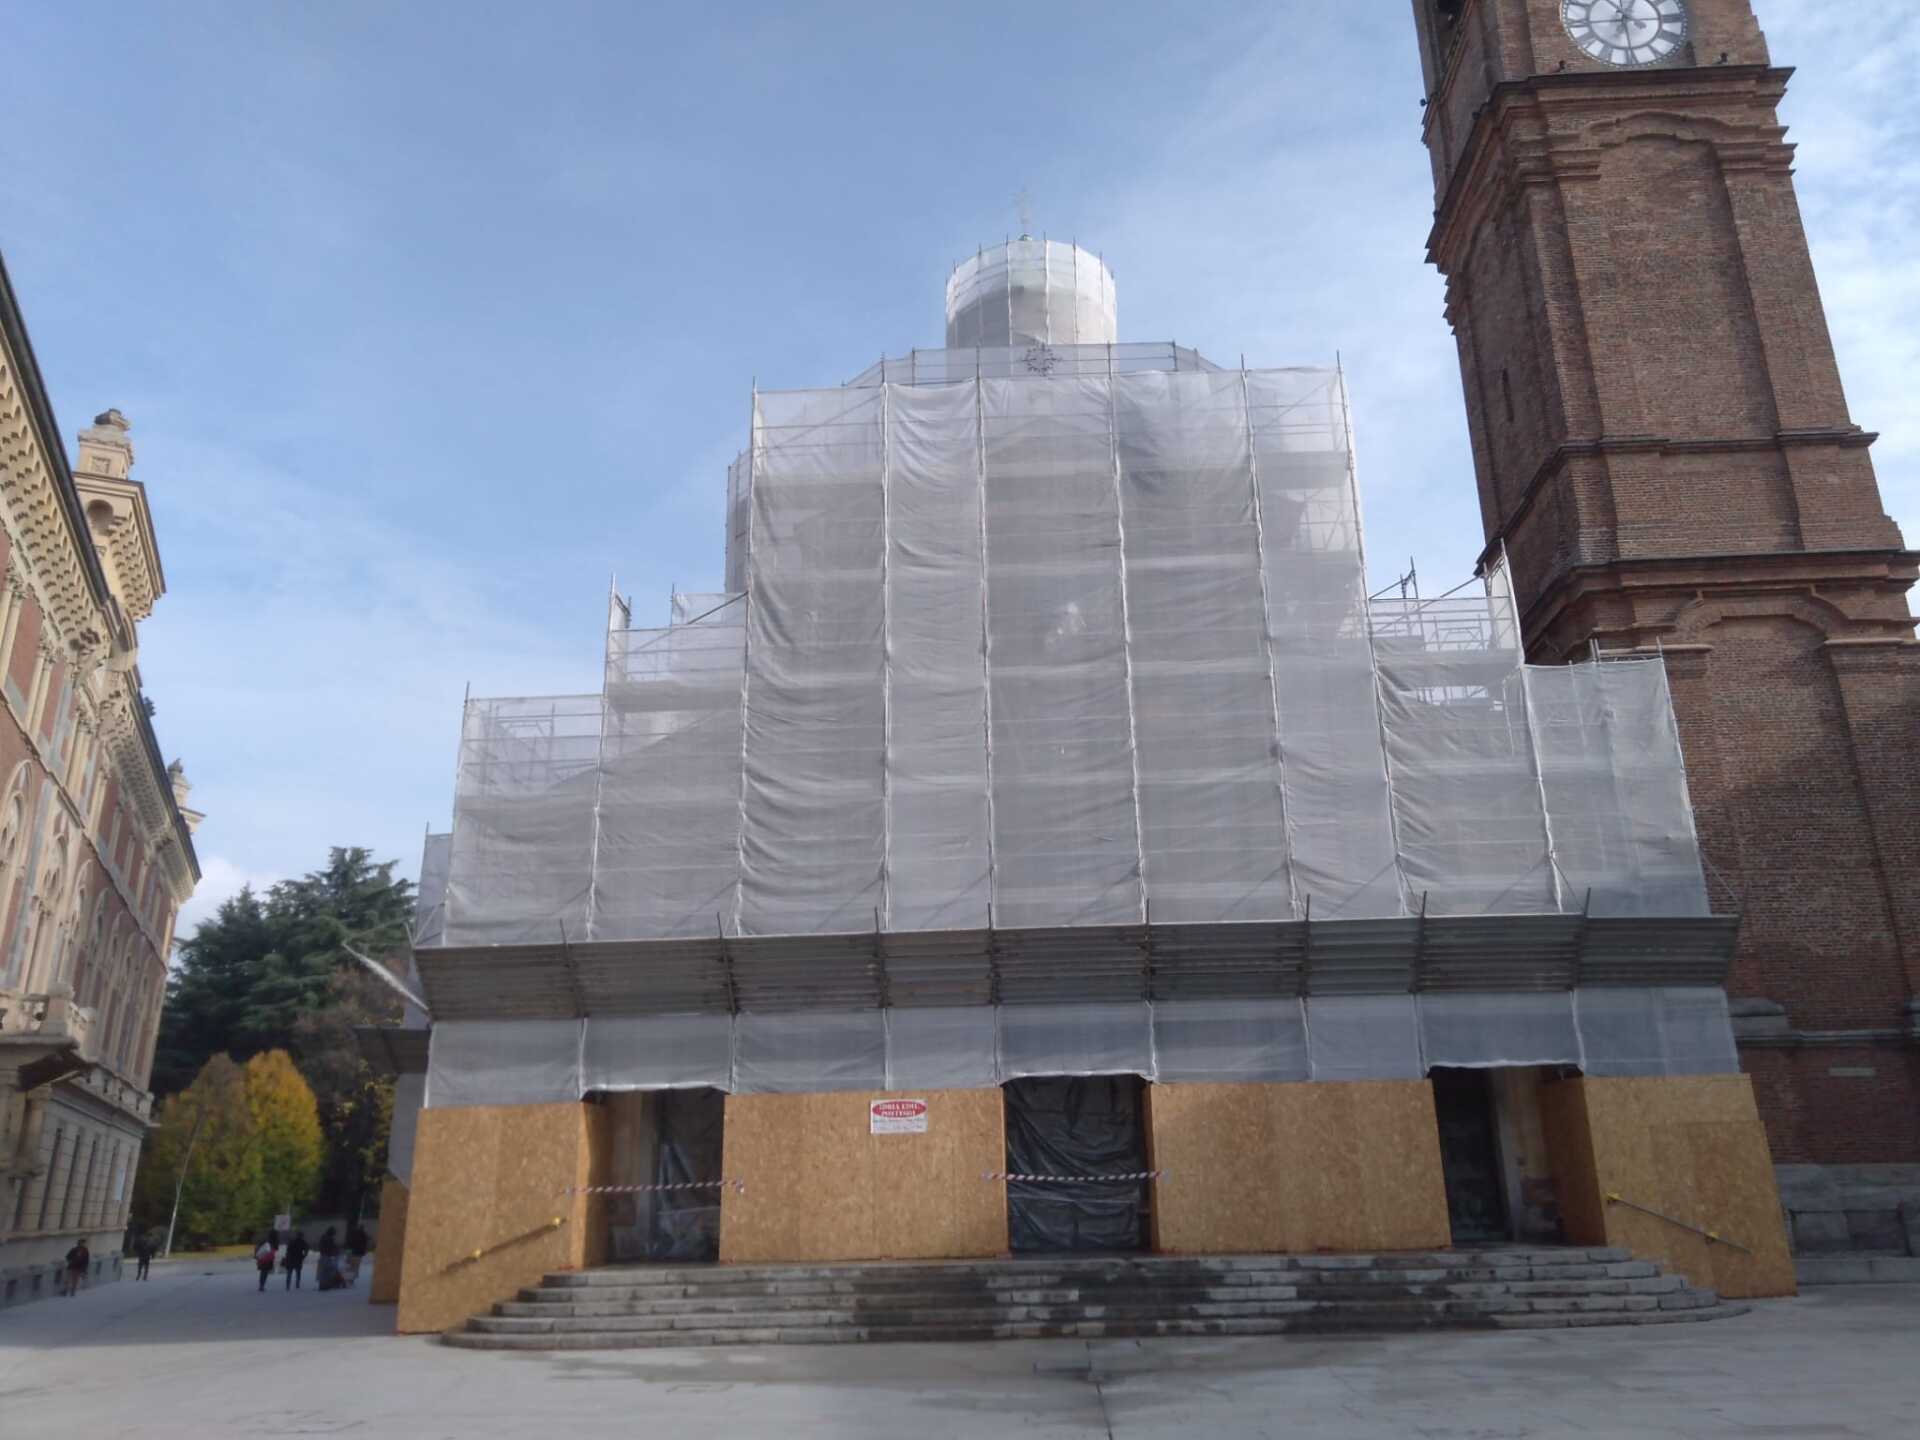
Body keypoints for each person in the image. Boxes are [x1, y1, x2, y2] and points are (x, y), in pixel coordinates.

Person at [315, 1226, 340, 1291]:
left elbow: (322, 1246)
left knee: (324, 1271)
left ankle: (323, 1285)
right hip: (326, 1256)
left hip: (324, 1256)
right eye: (334, 1233)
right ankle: (325, 1285)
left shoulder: (324, 1237)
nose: (334, 1235)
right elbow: (331, 1247)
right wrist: (335, 1252)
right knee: (328, 1271)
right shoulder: (328, 1239)